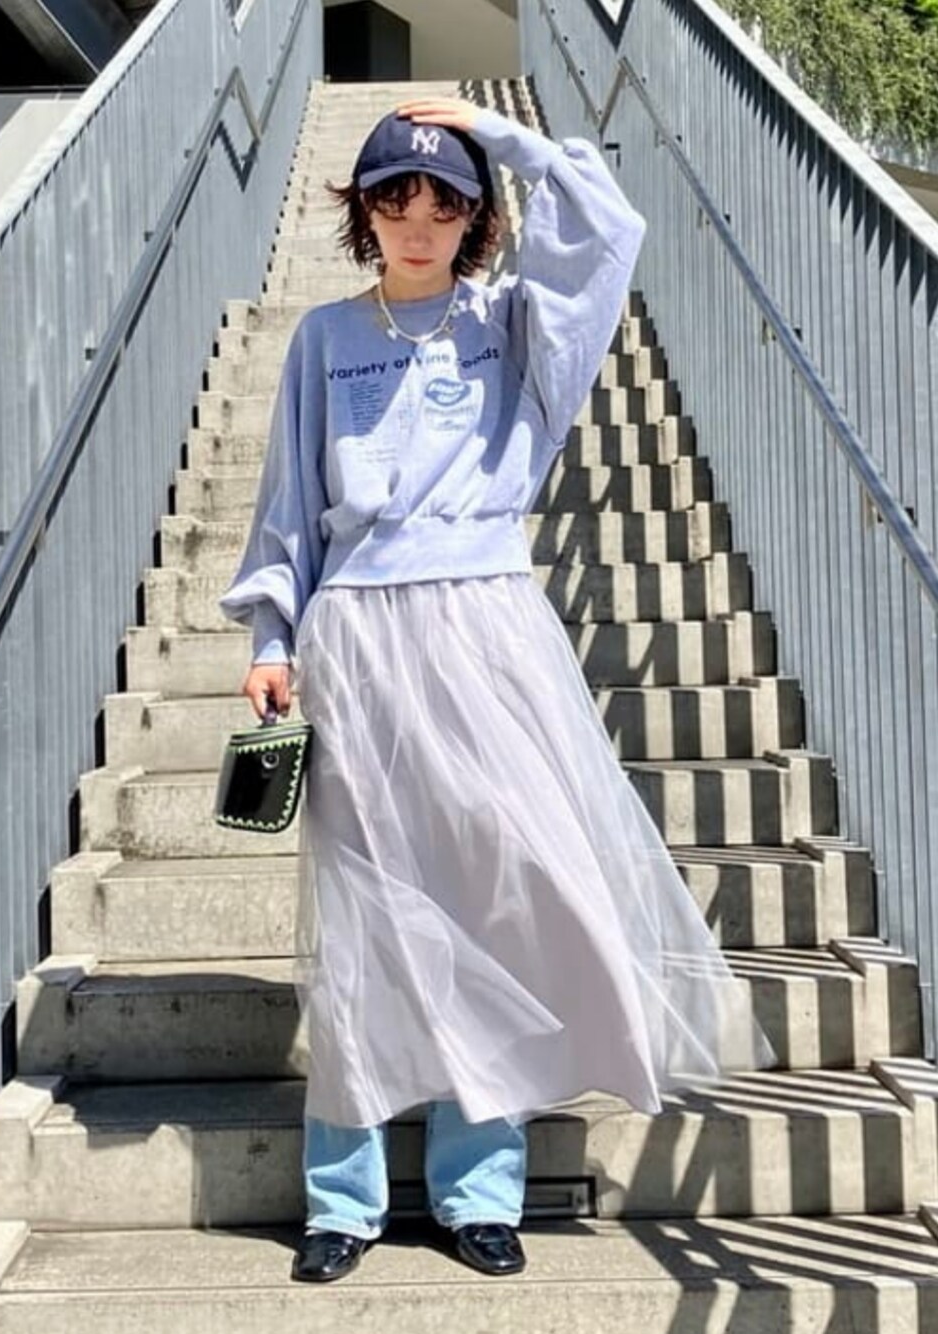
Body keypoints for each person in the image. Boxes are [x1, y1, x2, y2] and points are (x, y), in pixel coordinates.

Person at [218, 96, 773, 1285]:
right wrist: (270, 633)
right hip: (358, 633)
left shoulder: (516, 321)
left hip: (486, 621)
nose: (418, 222)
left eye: (445, 202)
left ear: (476, 218)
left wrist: (497, 132)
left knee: (497, 905)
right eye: (395, 199)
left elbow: (608, 226)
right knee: (364, 922)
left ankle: (479, 1188)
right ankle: (344, 1199)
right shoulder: (323, 336)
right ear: (364, 214)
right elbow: (286, 500)